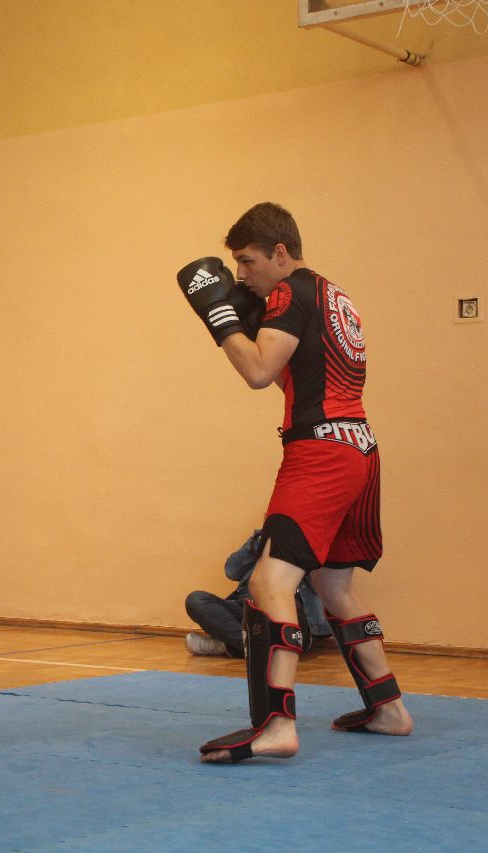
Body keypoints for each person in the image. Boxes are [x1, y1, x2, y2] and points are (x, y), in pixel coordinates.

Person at [175, 202, 413, 764]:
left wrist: (221, 319)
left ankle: (276, 725)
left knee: (268, 582)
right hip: (359, 447)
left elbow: (259, 372)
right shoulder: (331, 294)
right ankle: (389, 709)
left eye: (248, 261)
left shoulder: (289, 292)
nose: (241, 275)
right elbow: (304, 372)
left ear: (280, 253)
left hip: (321, 452)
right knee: (334, 587)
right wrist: (250, 318)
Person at [184, 531, 331, 658]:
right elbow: (231, 570)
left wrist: (297, 546)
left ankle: (228, 645)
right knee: (196, 600)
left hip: (286, 612)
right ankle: (248, 647)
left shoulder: (313, 544)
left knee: (289, 607)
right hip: (248, 609)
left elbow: (323, 584)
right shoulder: (262, 541)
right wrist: (259, 539)